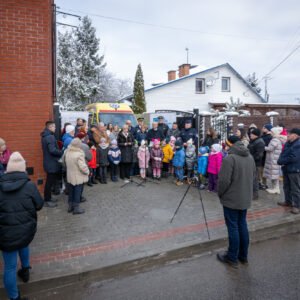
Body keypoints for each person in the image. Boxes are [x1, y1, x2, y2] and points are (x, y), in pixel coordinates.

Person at [0, 152, 44, 300]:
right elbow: (39, 205)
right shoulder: (30, 186)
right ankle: (25, 271)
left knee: (10, 267)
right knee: (23, 244)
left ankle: (14, 297)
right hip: (26, 230)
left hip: (5, 234)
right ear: (23, 169)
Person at [217, 135, 256, 268]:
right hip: (244, 198)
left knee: (233, 227)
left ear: (230, 145)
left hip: (231, 199)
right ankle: (243, 256)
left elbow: (223, 181)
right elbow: (253, 177)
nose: (225, 147)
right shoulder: (249, 157)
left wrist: (220, 193)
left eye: (226, 145)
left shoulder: (230, 158)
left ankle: (232, 257)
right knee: (242, 225)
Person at [63, 138, 89, 214]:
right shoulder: (79, 154)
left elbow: (64, 163)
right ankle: (76, 208)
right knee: (77, 192)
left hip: (70, 175)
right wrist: (87, 172)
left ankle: (70, 206)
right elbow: (83, 167)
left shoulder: (67, 152)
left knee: (71, 191)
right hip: (78, 176)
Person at [277, 128, 300, 214]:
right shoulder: (288, 143)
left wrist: (282, 161)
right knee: (286, 186)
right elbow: (283, 153)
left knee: (295, 188)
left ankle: (297, 206)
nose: (288, 135)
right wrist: (280, 159)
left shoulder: (298, 144)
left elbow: (294, 157)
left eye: (290, 134)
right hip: (286, 168)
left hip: (294, 169)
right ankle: (288, 201)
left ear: (296, 135)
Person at [41, 121, 63, 208]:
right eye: (54, 127)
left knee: (50, 181)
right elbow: (52, 150)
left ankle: (49, 197)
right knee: (49, 182)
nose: (55, 128)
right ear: (49, 127)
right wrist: (62, 152)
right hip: (51, 163)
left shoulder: (46, 136)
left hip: (49, 162)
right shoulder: (50, 137)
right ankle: (47, 200)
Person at [263, 127, 284, 194]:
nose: (270, 133)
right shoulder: (277, 139)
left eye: (271, 132)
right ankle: (275, 188)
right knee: (274, 175)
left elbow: (270, 148)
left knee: (274, 175)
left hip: (273, 160)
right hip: (275, 159)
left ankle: (276, 189)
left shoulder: (274, 140)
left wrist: (262, 147)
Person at [248, 128, 265, 200]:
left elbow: (259, 155)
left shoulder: (260, 142)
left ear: (256, 135)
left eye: (252, 134)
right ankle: (250, 193)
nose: (250, 135)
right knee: (251, 179)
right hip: (251, 162)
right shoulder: (253, 141)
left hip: (256, 164)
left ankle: (255, 195)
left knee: (254, 180)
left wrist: (250, 159)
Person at [260, 124, 273, 189]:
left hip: (265, 156)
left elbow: (267, 147)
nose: (262, 129)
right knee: (261, 170)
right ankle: (263, 183)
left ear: (268, 129)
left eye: (264, 128)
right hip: (262, 156)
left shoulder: (269, 137)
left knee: (263, 171)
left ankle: (264, 184)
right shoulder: (263, 136)